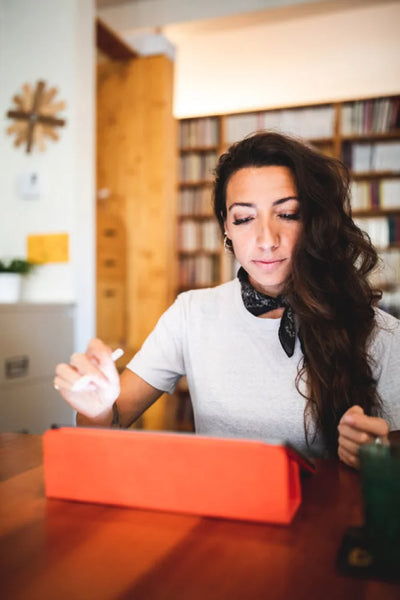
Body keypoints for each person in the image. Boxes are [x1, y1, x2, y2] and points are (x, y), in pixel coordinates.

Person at [54, 131, 400, 468]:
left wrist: (379, 453)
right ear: (226, 229)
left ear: (315, 222)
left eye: (288, 213)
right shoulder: (191, 314)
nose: (266, 239)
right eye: (245, 218)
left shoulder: (381, 333)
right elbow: (106, 425)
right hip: (219, 519)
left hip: (320, 523)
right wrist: (96, 407)